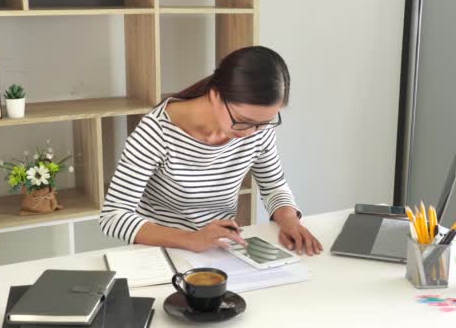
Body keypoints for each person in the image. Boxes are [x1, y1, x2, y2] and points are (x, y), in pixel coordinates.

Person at [100, 46, 322, 256]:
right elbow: (113, 216)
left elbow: (273, 186)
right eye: (244, 121)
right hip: (163, 252)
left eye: (264, 123)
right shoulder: (157, 132)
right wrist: (191, 239)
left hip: (220, 251)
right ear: (216, 96)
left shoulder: (257, 130)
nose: (252, 132)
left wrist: (290, 220)